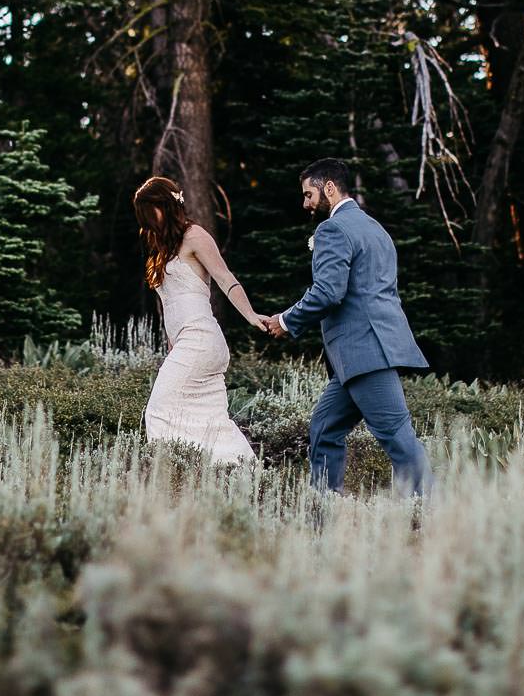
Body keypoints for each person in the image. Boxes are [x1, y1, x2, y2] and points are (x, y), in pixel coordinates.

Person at [260, 158, 433, 495]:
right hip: (360, 356)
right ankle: (322, 508)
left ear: (329, 187)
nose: (305, 203)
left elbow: (328, 293)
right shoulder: (375, 229)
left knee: (397, 436)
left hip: (364, 351)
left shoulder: (332, 229)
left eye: (309, 194)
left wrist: (285, 321)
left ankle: (434, 512)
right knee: (324, 428)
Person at [134, 176, 267, 462]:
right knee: (211, 421)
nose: (148, 222)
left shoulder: (195, 236)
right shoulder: (162, 249)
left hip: (200, 340)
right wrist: (172, 348)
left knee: (158, 410)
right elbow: (170, 307)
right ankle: (239, 473)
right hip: (187, 343)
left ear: (166, 205)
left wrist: (251, 315)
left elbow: (225, 278)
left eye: (150, 213)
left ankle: (171, 478)